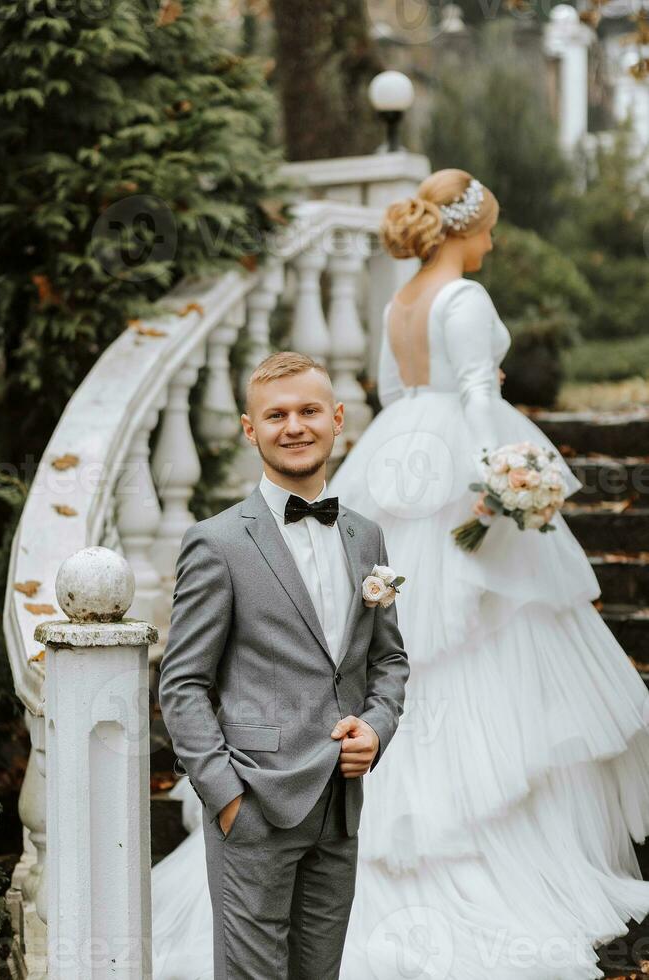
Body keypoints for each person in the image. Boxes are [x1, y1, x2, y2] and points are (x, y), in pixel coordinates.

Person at [327, 168, 649, 979]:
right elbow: (476, 393)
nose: (495, 242)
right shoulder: (463, 300)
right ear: (466, 228)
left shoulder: (401, 300)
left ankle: (401, 825)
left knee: (407, 633)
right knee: (482, 632)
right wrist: (507, 474)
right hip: (461, 460)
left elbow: (394, 388)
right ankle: (487, 838)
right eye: (491, 228)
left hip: (397, 449)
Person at [156, 351, 410, 980]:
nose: (293, 426)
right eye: (276, 415)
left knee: (318, 972)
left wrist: (376, 728)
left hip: (340, 804)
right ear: (250, 428)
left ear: (338, 418)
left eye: (308, 411)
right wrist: (224, 796)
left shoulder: (366, 536)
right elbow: (182, 683)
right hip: (255, 802)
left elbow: (390, 659)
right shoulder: (216, 543)